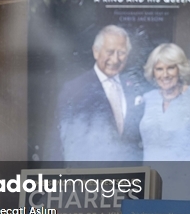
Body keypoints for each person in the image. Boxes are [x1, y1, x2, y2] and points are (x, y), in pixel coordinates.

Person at [56, 25, 144, 162]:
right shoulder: (75, 89)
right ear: (96, 52)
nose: (115, 59)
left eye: (121, 53)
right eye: (110, 52)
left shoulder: (135, 87)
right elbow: (62, 143)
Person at [139, 43, 190, 199]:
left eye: (170, 68)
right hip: (150, 186)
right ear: (153, 72)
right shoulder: (147, 98)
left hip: (185, 187)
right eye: (159, 69)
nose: (165, 74)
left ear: (180, 69)